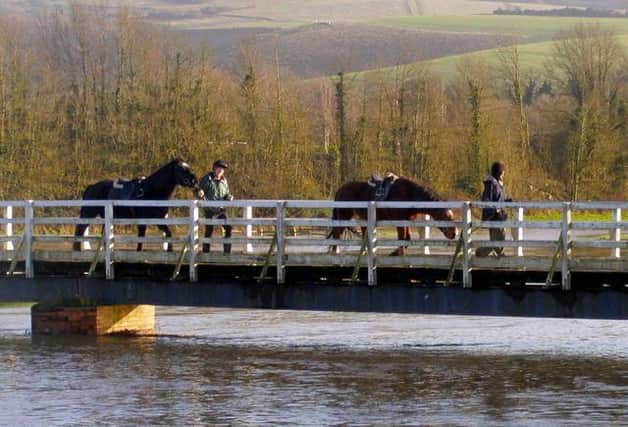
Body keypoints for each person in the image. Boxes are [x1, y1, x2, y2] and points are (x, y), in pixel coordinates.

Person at [195, 159, 234, 253]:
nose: (221, 171)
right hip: (209, 210)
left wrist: (229, 196)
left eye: (223, 169)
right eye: (219, 168)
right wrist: (199, 192)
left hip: (221, 210)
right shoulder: (206, 179)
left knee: (229, 227)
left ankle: (227, 251)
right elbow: (197, 190)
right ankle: (206, 252)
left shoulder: (224, 181)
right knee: (209, 230)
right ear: (214, 168)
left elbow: (226, 193)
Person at [476, 161, 511, 257]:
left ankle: (487, 255)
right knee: (498, 244)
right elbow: (486, 200)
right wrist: (496, 209)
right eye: (503, 172)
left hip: (500, 218)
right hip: (495, 218)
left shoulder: (498, 184)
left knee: (499, 241)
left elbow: (499, 199)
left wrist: (506, 201)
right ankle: (480, 252)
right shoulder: (491, 184)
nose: (504, 174)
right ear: (499, 172)